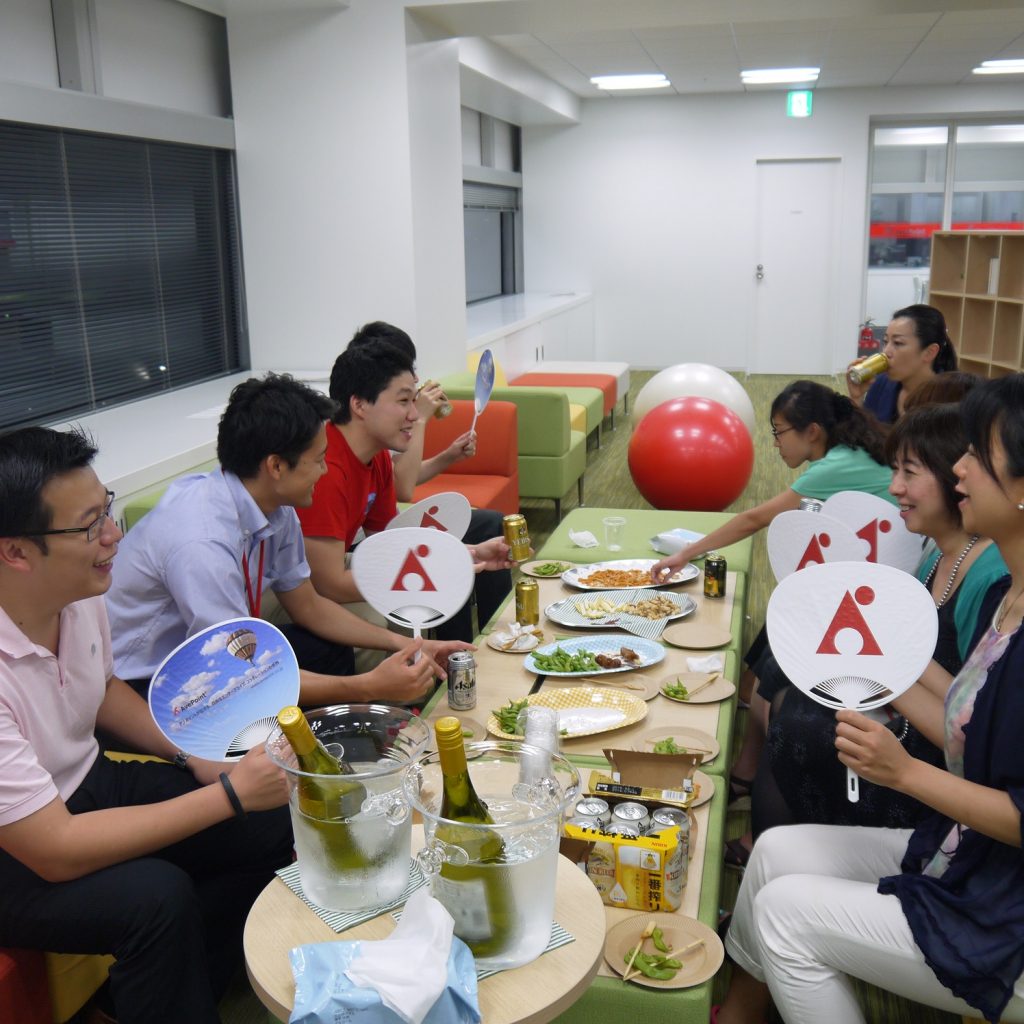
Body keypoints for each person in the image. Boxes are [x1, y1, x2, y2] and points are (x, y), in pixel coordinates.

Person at [716, 373, 1024, 1024]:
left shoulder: (996, 585)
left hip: (1004, 905)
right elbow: (959, 705)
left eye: (977, 456)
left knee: (783, 916)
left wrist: (902, 771)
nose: (959, 469)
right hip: (969, 851)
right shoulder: (1007, 599)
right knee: (773, 851)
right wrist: (841, 654)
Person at [0, 426, 293, 1024]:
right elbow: (53, 850)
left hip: (85, 782)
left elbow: (103, 689)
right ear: (17, 551)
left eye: (106, 509)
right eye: (89, 527)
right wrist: (231, 793)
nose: (114, 536)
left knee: (270, 822)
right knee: (156, 899)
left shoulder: (80, 593)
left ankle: (152, 997)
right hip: (18, 851)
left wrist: (200, 758)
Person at [106, 373, 454, 707]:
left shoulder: (276, 505)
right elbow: (239, 673)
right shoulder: (201, 542)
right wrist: (366, 687)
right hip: (143, 682)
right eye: (318, 460)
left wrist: (407, 645)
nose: (325, 471)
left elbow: (308, 606)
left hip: (209, 657)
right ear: (275, 466)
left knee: (327, 650)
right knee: (313, 678)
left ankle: (330, 755)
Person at [752, 404, 1007, 837]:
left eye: (909, 473)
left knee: (802, 723)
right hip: (916, 722)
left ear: (955, 478)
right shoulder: (938, 553)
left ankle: (800, 847)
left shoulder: (991, 577)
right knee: (794, 687)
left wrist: (876, 663)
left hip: (938, 763)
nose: (894, 489)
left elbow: (970, 720)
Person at [296, 340, 515, 645]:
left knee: (468, 539)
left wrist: (468, 554)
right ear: (359, 404)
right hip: (298, 588)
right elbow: (329, 586)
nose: (415, 414)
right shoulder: (326, 468)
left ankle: (470, 659)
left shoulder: (379, 457)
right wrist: (441, 567)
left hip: (335, 567)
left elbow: (387, 543)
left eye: (415, 401)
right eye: (403, 402)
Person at [652, 379, 894, 582]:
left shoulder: (833, 468)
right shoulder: (849, 448)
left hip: (890, 566)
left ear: (812, 432)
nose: (776, 443)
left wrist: (685, 554)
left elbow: (753, 519)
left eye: (779, 431)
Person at [847, 304, 959, 424]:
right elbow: (863, 438)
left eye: (898, 343)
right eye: (885, 342)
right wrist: (856, 399)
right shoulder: (881, 384)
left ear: (929, 352)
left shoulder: (951, 399)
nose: (886, 352)